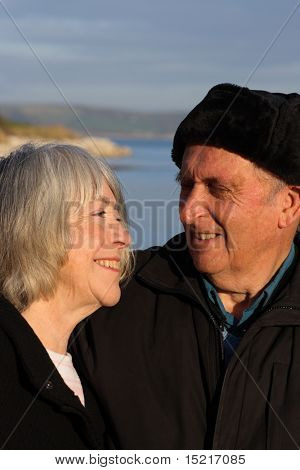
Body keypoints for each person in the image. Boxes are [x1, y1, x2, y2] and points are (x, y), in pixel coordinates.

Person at [71, 84, 300, 450]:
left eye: (218, 189)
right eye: (187, 185)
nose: (188, 211)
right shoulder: (114, 295)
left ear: (288, 205)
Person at [0, 143, 132, 449]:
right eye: (100, 214)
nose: (124, 236)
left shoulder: (91, 372)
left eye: (118, 218)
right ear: (35, 226)